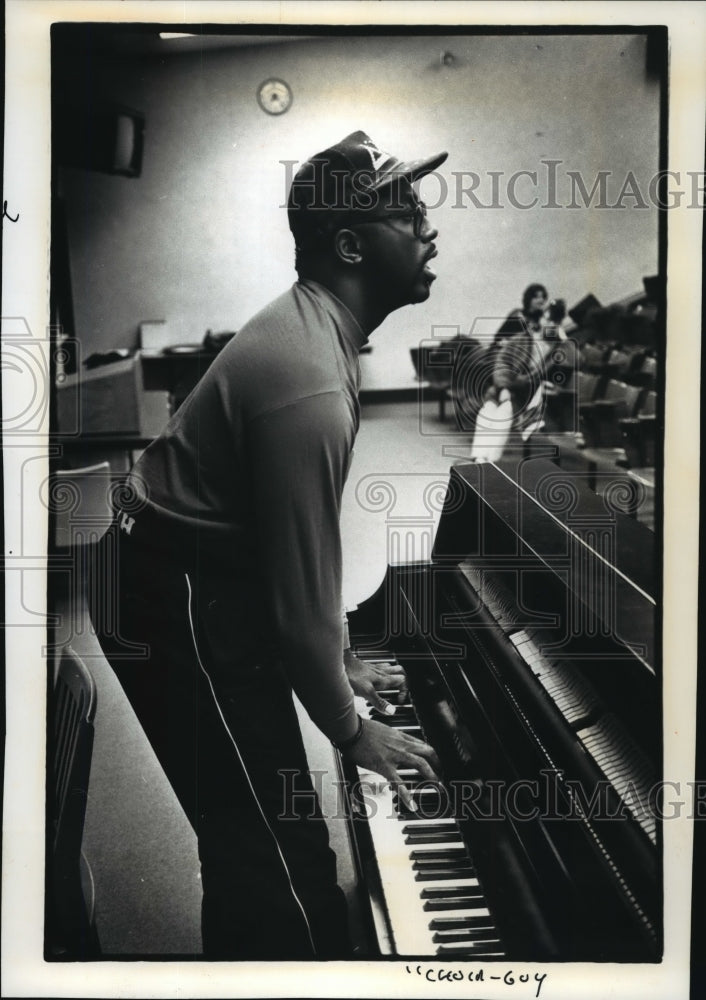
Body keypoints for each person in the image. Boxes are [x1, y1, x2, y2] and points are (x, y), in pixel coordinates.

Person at [88, 130, 447, 960]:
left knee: (268, 837)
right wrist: (353, 731)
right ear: (351, 245)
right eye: (410, 212)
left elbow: (296, 568)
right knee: (276, 861)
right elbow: (297, 595)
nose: (431, 228)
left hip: (199, 577)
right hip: (169, 594)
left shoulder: (320, 337)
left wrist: (339, 662)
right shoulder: (311, 380)